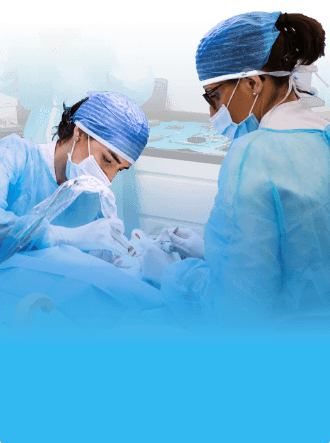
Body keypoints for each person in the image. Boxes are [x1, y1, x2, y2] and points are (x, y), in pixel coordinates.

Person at [148, 11, 330, 332]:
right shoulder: (324, 137)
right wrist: (211, 251)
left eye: (214, 97)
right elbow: (302, 254)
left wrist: (174, 275)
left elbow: (236, 312)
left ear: (252, 83)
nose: (213, 113)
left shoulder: (253, 155)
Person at [0, 90, 150, 257]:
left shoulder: (93, 197)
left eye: (120, 170)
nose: (108, 178)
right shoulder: (14, 154)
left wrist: (122, 256)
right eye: (107, 159)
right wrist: (64, 237)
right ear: (79, 132)